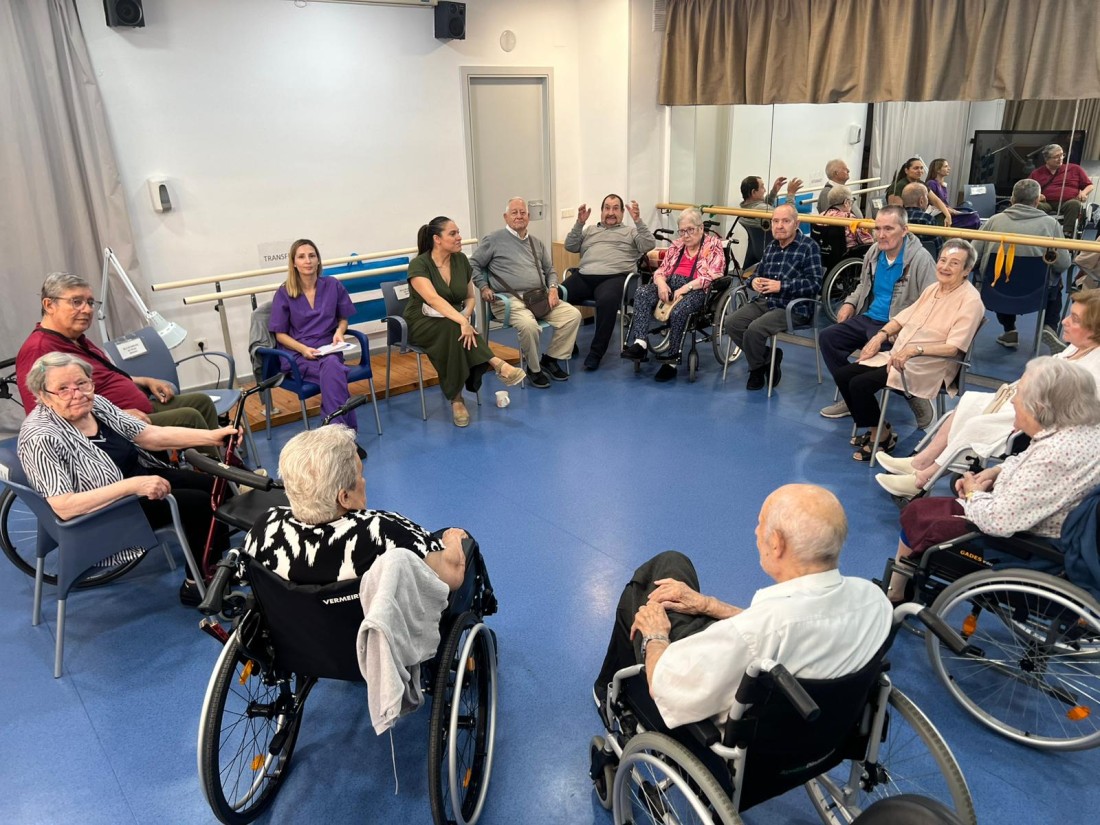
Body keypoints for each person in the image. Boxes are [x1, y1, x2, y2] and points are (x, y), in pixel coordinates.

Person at [593, 484, 893, 731]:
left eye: (760, 524)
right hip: (823, 728)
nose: (755, 531)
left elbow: (664, 685)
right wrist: (708, 605)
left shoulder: (756, 633)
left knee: (650, 589)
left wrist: (656, 635)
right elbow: (790, 625)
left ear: (776, 544)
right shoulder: (874, 600)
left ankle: (611, 693)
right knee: (673, 565)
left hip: (726, 728)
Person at [17, 353, 238, 606]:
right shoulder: (40, 437)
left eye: (81, 383)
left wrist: (212, 436)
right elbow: (64, 506)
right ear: (44, 395)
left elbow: (149, 435)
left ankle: (216, 565)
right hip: (105, 512)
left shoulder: (95, 405)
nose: (77, 394)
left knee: (216, 486)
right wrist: (132, 486)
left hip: (135, 481)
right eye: (63, 389)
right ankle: (196, 585)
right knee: (197, 504)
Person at [884, 357, 1100, 603]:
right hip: (1044, 526)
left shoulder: (1052, 456)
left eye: (1019, 394)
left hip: (1022, 543)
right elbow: (1028, 462)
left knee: (918, 513)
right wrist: (995, 472)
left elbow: (998, 522)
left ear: (1039, 407)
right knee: (925, 509)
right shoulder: (1081, 433)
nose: (1013, 400)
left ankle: (896, 594)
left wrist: (974, 493)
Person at [876, 289, 1100, 499]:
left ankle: (922, 480)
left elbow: (1074, 416)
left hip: (1040, 418)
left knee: (976, 424)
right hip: (1022, 399)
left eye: (1075, 319)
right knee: (967, 404)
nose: (1064, 321)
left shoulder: (1095, 368)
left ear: (1095, 330)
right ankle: (919, 462)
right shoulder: (1075, 347)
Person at [243, 425, 467, 589]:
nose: (364, 481)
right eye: (360, 475)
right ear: (345, 497)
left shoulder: (265, 527)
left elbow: (245, 576)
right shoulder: (383, 532)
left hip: (296, 635)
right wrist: (453, 539)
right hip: (371, 636)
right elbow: (451, 576)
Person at [833, 239, 984, 460]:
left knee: (860, 384)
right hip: (900, 356)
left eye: (954, 263)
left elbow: (953, 348)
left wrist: (915, 350)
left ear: (966, 270)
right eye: (942, 260)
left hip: (928, 364)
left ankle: (880, 436)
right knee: (843, 375)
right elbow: (903, 318)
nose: (945, 267)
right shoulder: (933, 289)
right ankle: (880, 429)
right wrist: (879, 336)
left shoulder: (971, 301)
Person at [16, 272, 219, 432]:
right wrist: (116, 417)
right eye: (76, 302)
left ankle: (219, 465)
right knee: (190, 417)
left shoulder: (75, 339)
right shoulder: (39, 349)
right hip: (112, 426)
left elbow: (104, 375)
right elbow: (43, 416)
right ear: (49, 305)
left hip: (137, 410)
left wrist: (145, 380)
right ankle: (212, 470)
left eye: (90, 303)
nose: (87, 310)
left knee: (201, 402)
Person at [818, 206, 938, 425]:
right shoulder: (873, 252)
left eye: (888, 229)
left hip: (897, 324)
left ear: (904, 230)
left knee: (885, 352)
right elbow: (862, 285)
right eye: (878, 228)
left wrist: (903, 328)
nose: (881, 235)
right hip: (869, 317)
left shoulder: (921, 259)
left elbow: (931, 303)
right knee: (828, 338)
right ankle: (851, 395)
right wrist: (850, 303)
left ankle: (913, 394)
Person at [404, 216, 526, 427]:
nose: (459, 237)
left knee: (454, 333)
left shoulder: (461, 261)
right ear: (437, 239)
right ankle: (497, 364)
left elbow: (470, 297)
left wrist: (465, 317)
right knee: (454, 329)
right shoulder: (419, 264)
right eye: (453, 233)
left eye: (458, 232)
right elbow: (433, 300)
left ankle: (457, 400)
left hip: (453, 319)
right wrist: (463, 321)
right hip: (422, 320)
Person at [471, 198, 582, 389]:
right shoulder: (494, 240)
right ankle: (534, 369)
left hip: (538, 298)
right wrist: (483, 286)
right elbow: (473, 264)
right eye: (514, 212)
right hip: (507, 300)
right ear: (505, 217)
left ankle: (551, 359)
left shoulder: (536, 243)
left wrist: (553, 288)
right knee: (529, 325)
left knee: (573, 315)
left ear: (528, 217)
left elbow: (550, 270)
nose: (519, 216)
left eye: (522, 212)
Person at [723, 203, 824, 390]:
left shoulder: (809, 247)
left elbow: (815, 284)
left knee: (754, 330)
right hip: (766, 301)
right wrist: (753, 281)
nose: (779, 226)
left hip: (792, 307)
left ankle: (756, 371)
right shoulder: (771, 246)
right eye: (775, 221)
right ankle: (767, 356)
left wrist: (781, 286)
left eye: (785, 221)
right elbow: (756, 275)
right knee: (732, 323)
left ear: (796, 224)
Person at [620, 207, 724, 382]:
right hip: (670, 285)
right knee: (642, 292)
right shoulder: (677, 245)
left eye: (690, 230)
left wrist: (686, 288)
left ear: (700, 228)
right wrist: (661, 284)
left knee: (679, 311)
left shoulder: (713, 245)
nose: (686, 235)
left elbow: (713, 275)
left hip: (697, 289)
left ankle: (672, 360)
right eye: (682, 231)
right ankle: (640, 344)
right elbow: (662, 270)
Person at [971, 178, 1072, 352]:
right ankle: (1049, 325)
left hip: (996, 289)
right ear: (1037, 201)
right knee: (1056, 280)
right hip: (1037, 292)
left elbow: (973, 256)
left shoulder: (994, 221)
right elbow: (1064, 263)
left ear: (1012, 199)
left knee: (1003, 276)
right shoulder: (1051, 224)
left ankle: (1009, 329)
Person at [269, 239, 361, 429]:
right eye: (301, 257)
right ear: (294, 263)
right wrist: (303, 349)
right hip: (299, 354)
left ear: (318, 260)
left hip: (329, 348)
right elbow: (280, 335)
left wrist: (339, 332)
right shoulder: (284, 292)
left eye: (312, 256)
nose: (308, 261)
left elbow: (343, 318)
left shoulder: (332, 285)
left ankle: (334, 431)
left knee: (332, 366)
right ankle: (341, 431)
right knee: (335, 372)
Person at [562, 195, 656, 371]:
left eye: (615, 208)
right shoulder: (590, 230)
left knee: (607, 301)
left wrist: (638, 221)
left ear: (622, 212)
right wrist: (579, 223)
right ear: (601, 211)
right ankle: (567, 343)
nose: (610, 212)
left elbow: (648, 244)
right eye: (607, 208)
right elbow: (570, 246)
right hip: (584, 275)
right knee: (558, 294)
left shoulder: (630, 232)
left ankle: (595, 353)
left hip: (614, 277)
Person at [1029, 143, 1095, 237]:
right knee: (1036, 205)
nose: (1060, 158)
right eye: (1056, 156)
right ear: (1047, 159)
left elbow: (1089, 185)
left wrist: (1084, 193)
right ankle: (1038, 232)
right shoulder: (1037, 173)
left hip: (1067, 202)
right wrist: (1037, 195)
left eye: (1062, 155)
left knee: (1074, 204)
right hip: (1046, 202)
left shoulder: (1075, 169)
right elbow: (1028, 189)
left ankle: (1067, 234)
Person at [885, 158, 952, 225]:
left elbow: (936, 200)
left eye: (921, 168)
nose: (920, 171)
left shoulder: (921, 183)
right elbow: (896, 212)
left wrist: (948, 215)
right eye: (916, 168)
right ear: (906, 170)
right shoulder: (898, 186)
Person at [925, 159, 981, 230]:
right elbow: (933, 204)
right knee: (974, 218)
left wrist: (954, 211)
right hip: (939, 214)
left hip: (946, 211)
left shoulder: (942, 185)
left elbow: (945, 203)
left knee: (970, 212)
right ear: (938, 170)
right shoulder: (931, 183)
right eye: (946, 166)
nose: (949, 168)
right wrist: (951, 212)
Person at [739, 175, 803, 231]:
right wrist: (791, 194)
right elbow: (790, 216)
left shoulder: (743, 209)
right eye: (762, 187)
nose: (765, 190)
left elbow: (765, 207)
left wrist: (774, 191)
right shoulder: (761, 209)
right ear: (753, 192)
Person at [901, 182, 942, 259]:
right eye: (927, 197)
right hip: (926, 261)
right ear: (921, 201)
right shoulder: (928, 219)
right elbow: (939, 248)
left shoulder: (897, 219)